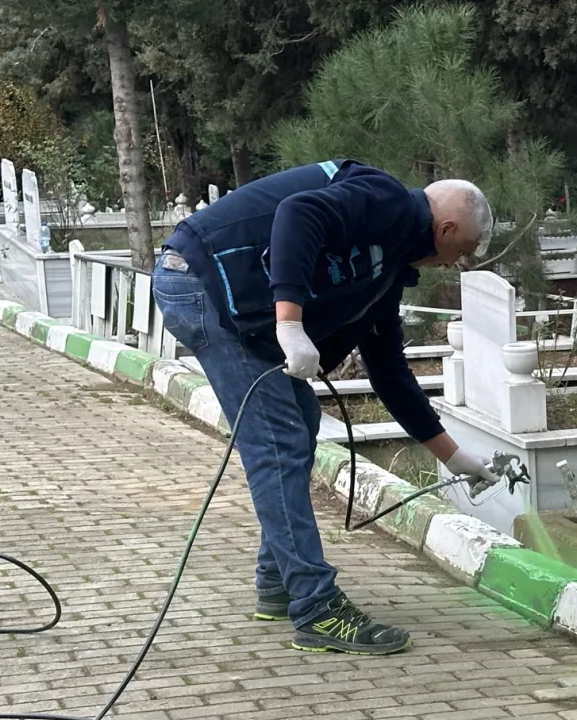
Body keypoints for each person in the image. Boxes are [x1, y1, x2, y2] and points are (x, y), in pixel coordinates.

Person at [150, 159, 500, 656]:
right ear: (445, 229)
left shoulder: (390, 265)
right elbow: (299, 213)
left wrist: (454, 457)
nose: (453, 265)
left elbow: (389, 373)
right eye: (460, 252)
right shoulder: (391, 201)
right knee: (278, 444)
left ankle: (278, 583)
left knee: (302, 422)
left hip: (225, 295)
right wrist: (290, 324)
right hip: (201, 281)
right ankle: (316, 608)